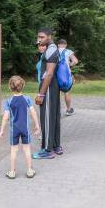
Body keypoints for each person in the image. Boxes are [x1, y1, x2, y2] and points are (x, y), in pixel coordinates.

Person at [0, 75, 41, 179]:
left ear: (9, 87)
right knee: (27, 149)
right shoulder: (27, 99)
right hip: (25, 129)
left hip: (14, 130)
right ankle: (30, 170)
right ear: (23, 86)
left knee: (13, 150)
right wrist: (37, 125)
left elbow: (5, 117)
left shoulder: (9, 101)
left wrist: (2, 130)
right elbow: (33, 112)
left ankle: (12, 172)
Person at [33, 28, 62, 158]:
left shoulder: (50, 50)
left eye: (42, 37)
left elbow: (49, 73)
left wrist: (41, 94)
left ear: (49, 36)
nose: (39, 39)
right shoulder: (52, 48)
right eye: (38, 37)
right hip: (53, 86)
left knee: (47, 117)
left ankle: (47, 150)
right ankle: (56, 145)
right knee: (54, 116)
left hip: (49, 87)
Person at [57, 39, 79, 116]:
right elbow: (75, 61)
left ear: (58, 45)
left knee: (57, 93)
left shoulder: (54, 51)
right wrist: (69, 64)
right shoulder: (68, 51)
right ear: (65, 45)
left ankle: (57, 111)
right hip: (66, 76)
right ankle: (68, 110)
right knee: (67, 92)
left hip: (55, 76)